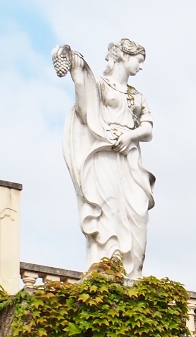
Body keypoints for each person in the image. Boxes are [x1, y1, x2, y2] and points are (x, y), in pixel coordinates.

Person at [53, 39, 155, 277]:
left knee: (138, 214)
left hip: (129, 158)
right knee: (109, 206)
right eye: (138, 60)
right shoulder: (99, 86)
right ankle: (109, 264)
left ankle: (134, 272)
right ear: (124, 57)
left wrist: (130, 136)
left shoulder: (137, 96)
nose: (140, 66)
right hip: (105, 154)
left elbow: (148, 129)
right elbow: (85, 109)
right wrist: (77, 72)